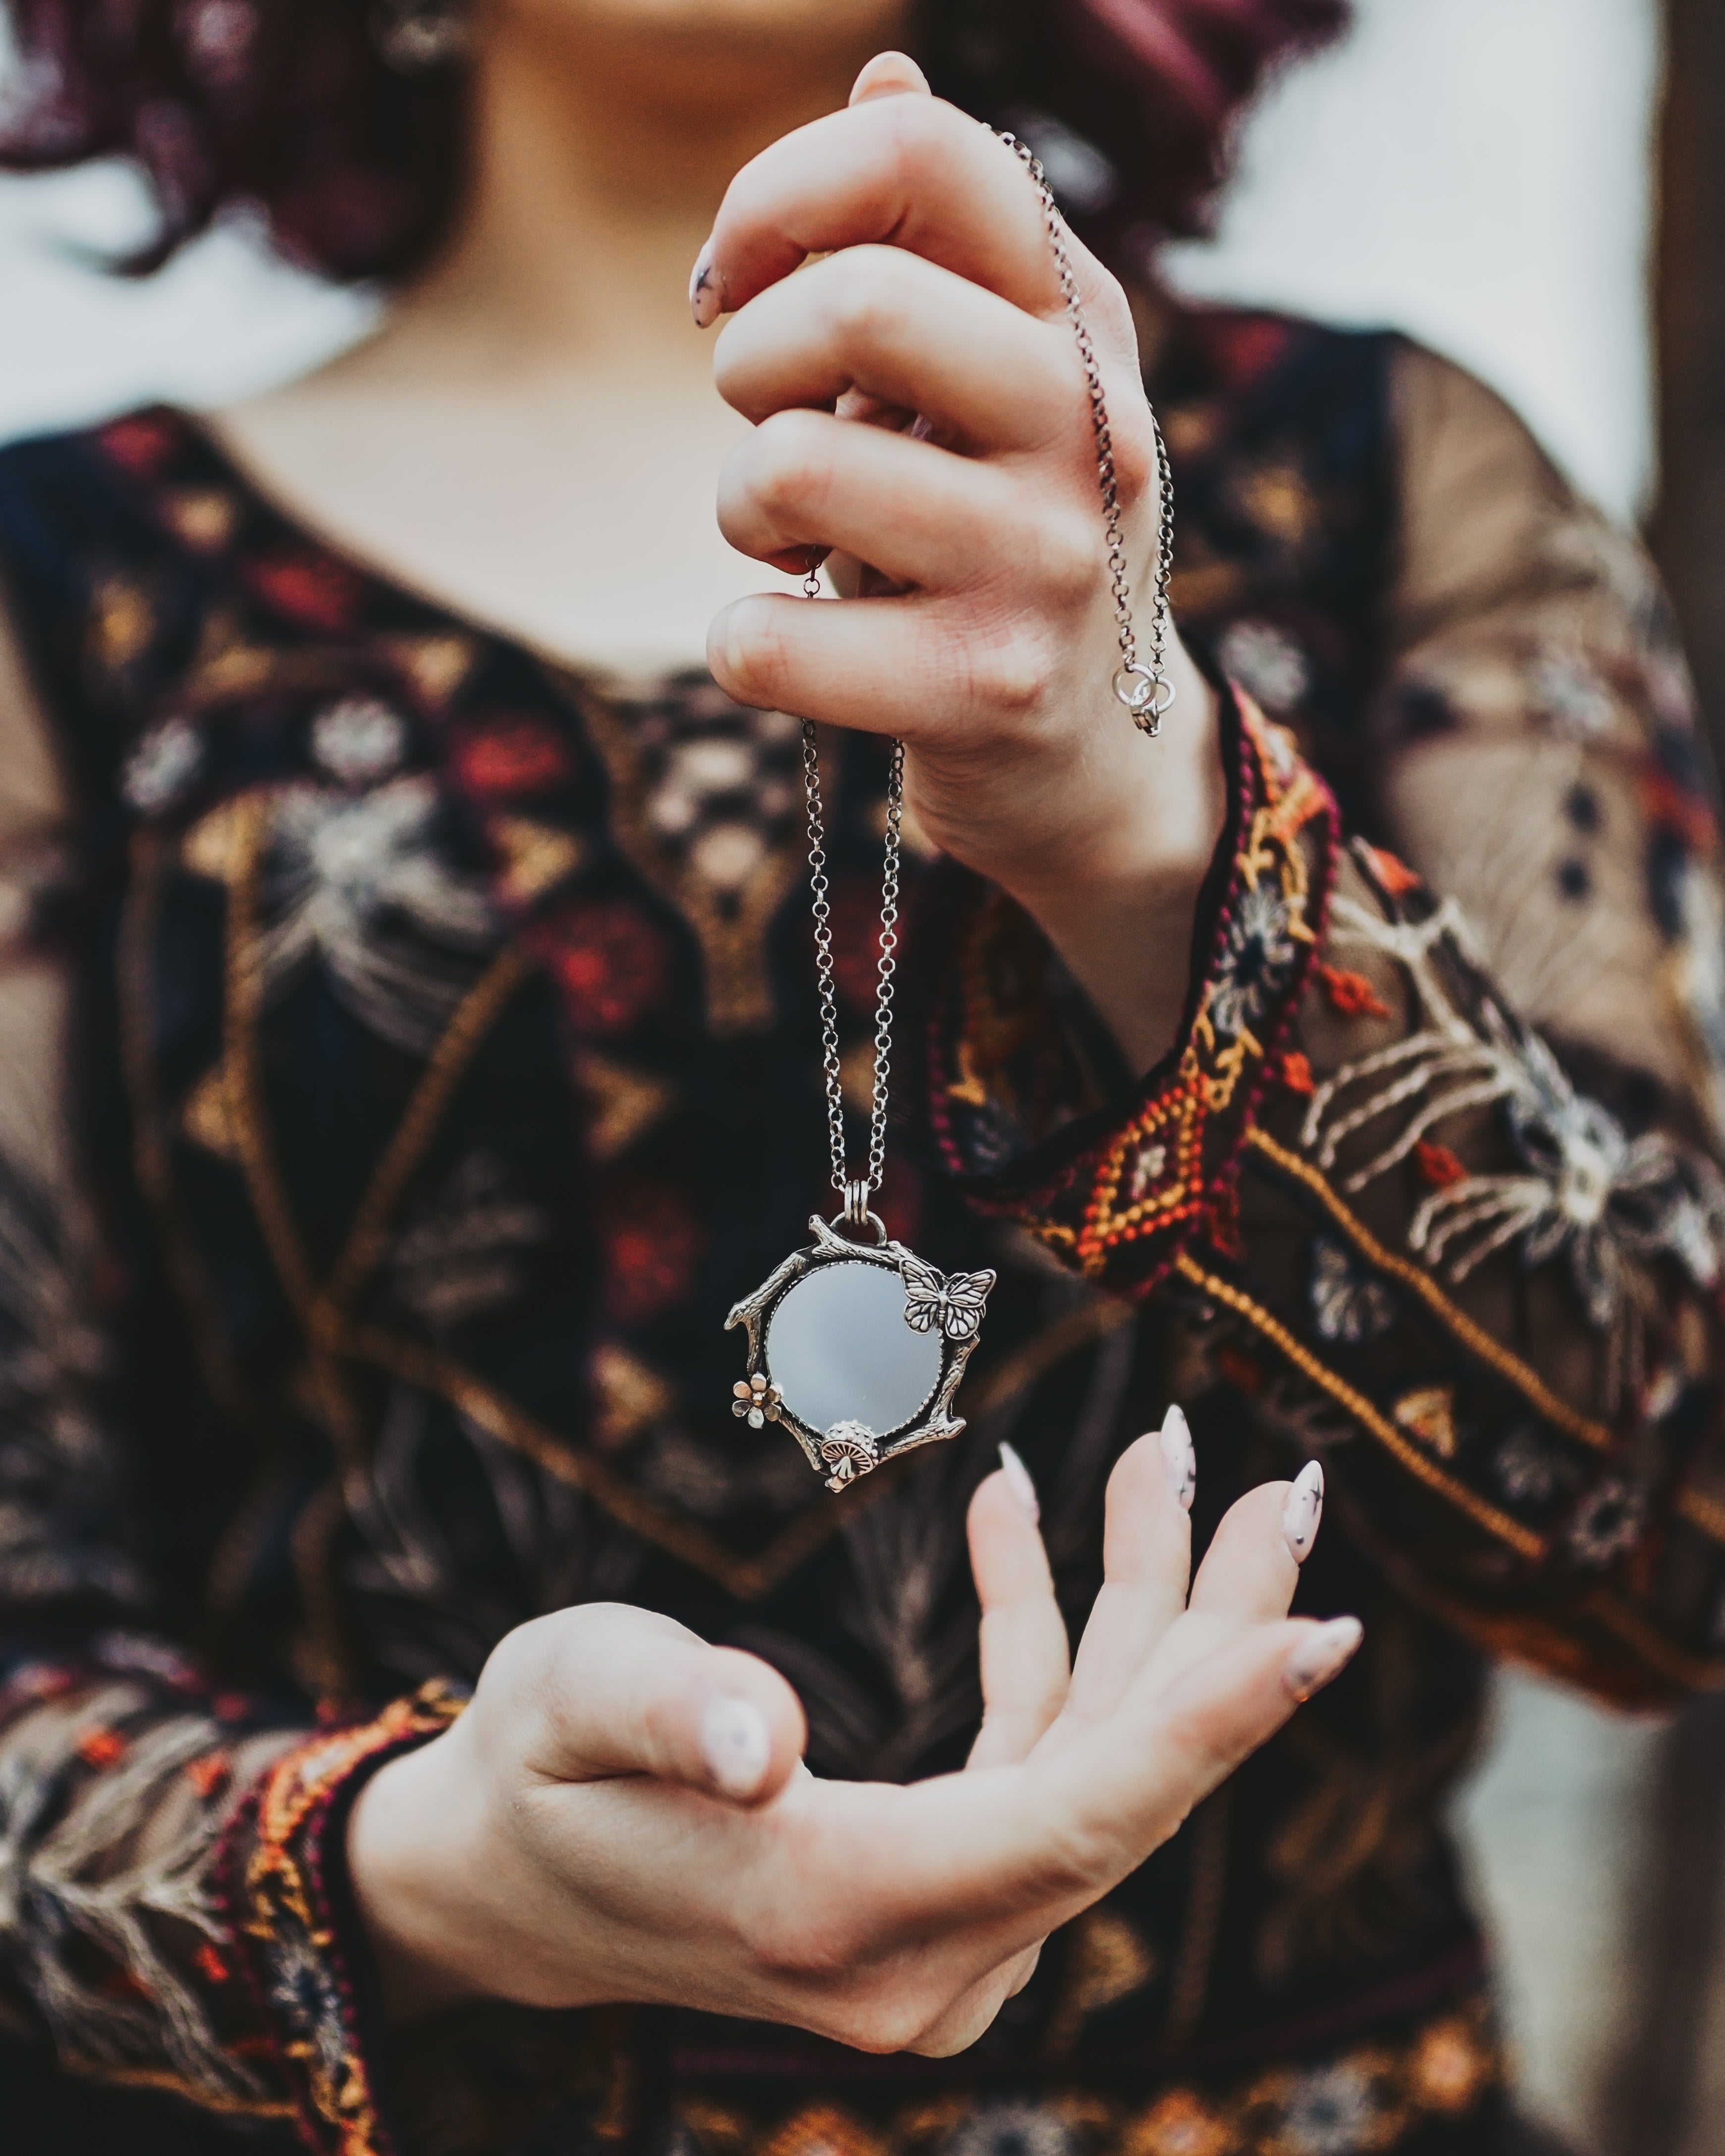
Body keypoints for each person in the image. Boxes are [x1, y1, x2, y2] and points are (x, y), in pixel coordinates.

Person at [0, 2, 1720, 2153]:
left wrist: (1143, 821)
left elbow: (1675, 1531)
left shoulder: (1388, 473)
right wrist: (419, 1868)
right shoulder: (52, 608)